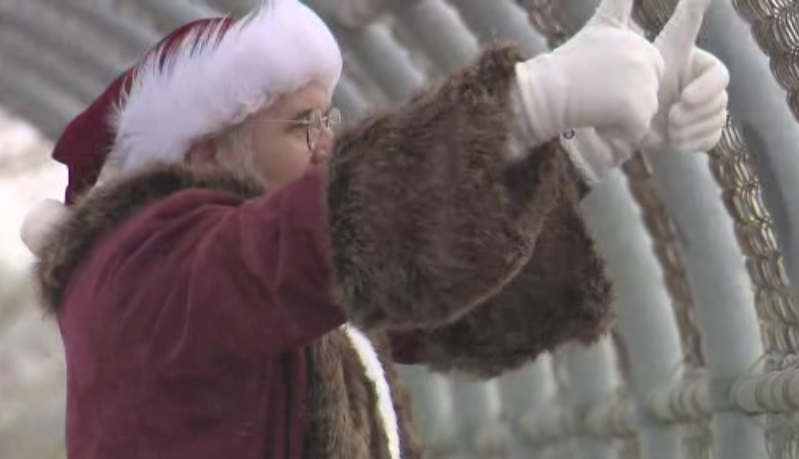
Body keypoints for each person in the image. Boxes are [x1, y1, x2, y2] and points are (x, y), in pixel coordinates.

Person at [19, 0, 728, 458]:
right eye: (303, 125)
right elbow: (313, 238)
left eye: (329, 118)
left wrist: (579, 150)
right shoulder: (147, 267)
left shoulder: (256, 290)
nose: (328, 144)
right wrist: (523, 106)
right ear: (207, 149)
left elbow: (435, 296)